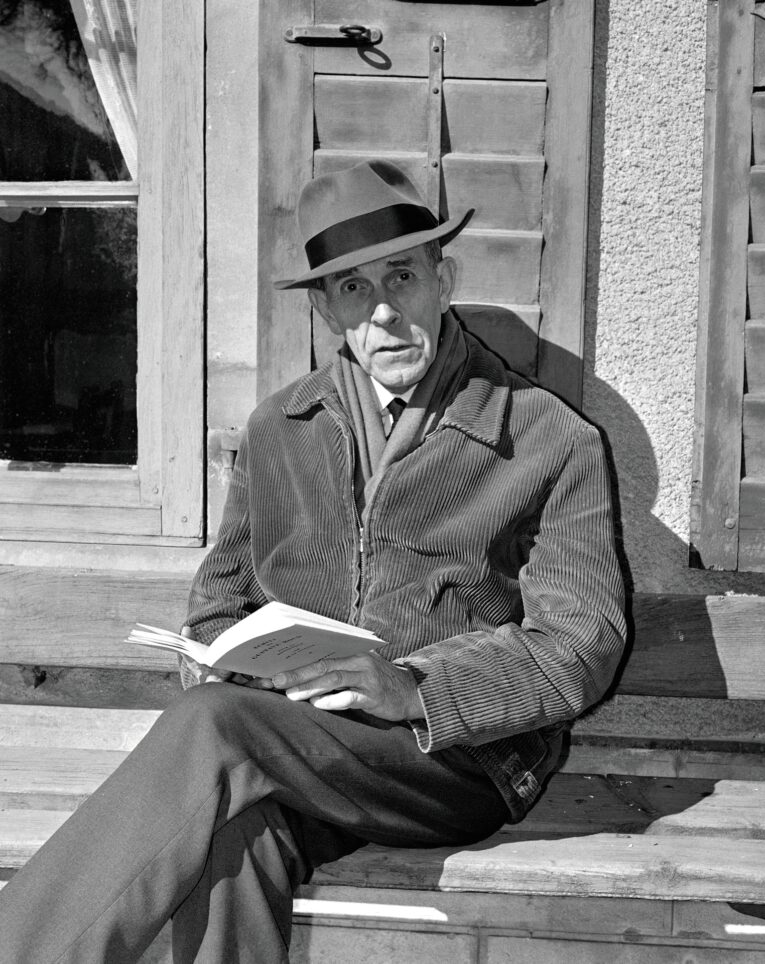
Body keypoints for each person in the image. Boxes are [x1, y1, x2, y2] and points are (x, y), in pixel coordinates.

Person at [0, 160, 626, 964]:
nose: (385, 312)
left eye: (402, 277)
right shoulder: (279, 429)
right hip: (295, 746)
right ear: (329, 309)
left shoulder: (548, 439)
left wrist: (411, 687)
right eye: (355, 289)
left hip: (454, 761)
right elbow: (219, 604)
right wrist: (231, 661)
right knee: (236, 838)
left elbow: (579, 648)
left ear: (443, 281)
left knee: (215, 726)